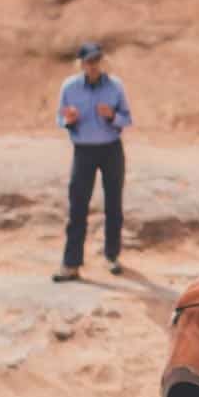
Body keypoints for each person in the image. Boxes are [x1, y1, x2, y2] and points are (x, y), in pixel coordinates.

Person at [53, 42, 131, 282]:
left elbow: (127, 119)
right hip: (84, 151)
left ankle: (112, 256)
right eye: (89, 61)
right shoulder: (70, 87)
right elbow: (60, 118)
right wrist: (69, 120)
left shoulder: (115, 86)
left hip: (111, 149)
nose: (93, 66)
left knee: (113, 204)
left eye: (97, 60)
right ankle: (71, 264)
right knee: (78, 206)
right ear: (81, 64)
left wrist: (112, 116)